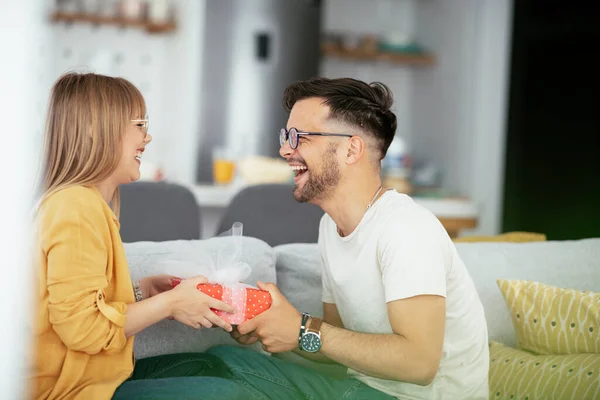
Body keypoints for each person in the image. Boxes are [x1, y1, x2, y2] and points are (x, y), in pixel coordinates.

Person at [216, 77, 489, 399]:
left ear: (351, 148)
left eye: (297, 137)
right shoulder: (331, 226)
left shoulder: (405, 228)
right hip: (359, 387)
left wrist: (301, 329)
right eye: (284, 136)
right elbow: (339, 345)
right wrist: (274, 327)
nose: (284, 149)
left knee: (215, 388)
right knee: (222, 361)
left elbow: (419, 364)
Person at [31, 72, 249, 400]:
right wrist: (170, 304)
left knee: (210, 367)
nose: (147, 138)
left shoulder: (83, 204)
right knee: (224, 392)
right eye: (139, 124)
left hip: (94, 381)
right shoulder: (74, 207)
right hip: (71, 392)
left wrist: (143, 290)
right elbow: (84, 330)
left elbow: (85, 304)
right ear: (95, 129)